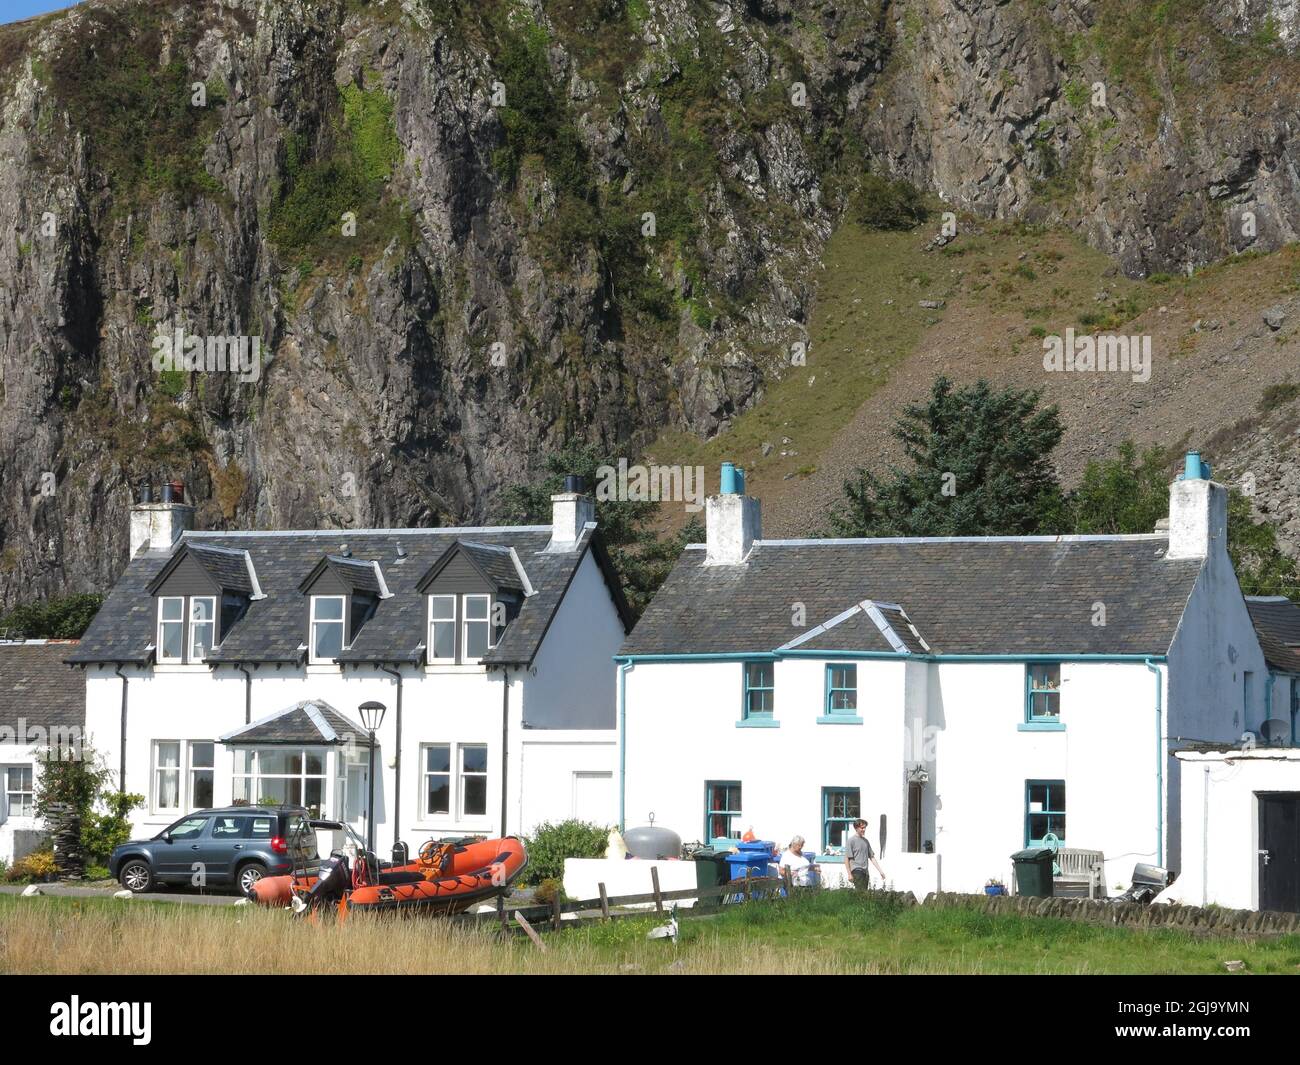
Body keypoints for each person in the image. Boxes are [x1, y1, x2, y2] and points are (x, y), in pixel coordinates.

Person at [844, 818, 886, 890]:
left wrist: (881, 871)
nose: (864, 830)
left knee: (863, 894)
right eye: (862, 828)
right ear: (856, 828)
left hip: (865, 871)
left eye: (865, 828)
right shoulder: (851, 841)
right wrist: (849, 874)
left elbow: (872, 857)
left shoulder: (866, 841)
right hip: (856, 870)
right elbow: (846, 859)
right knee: (861, 893)